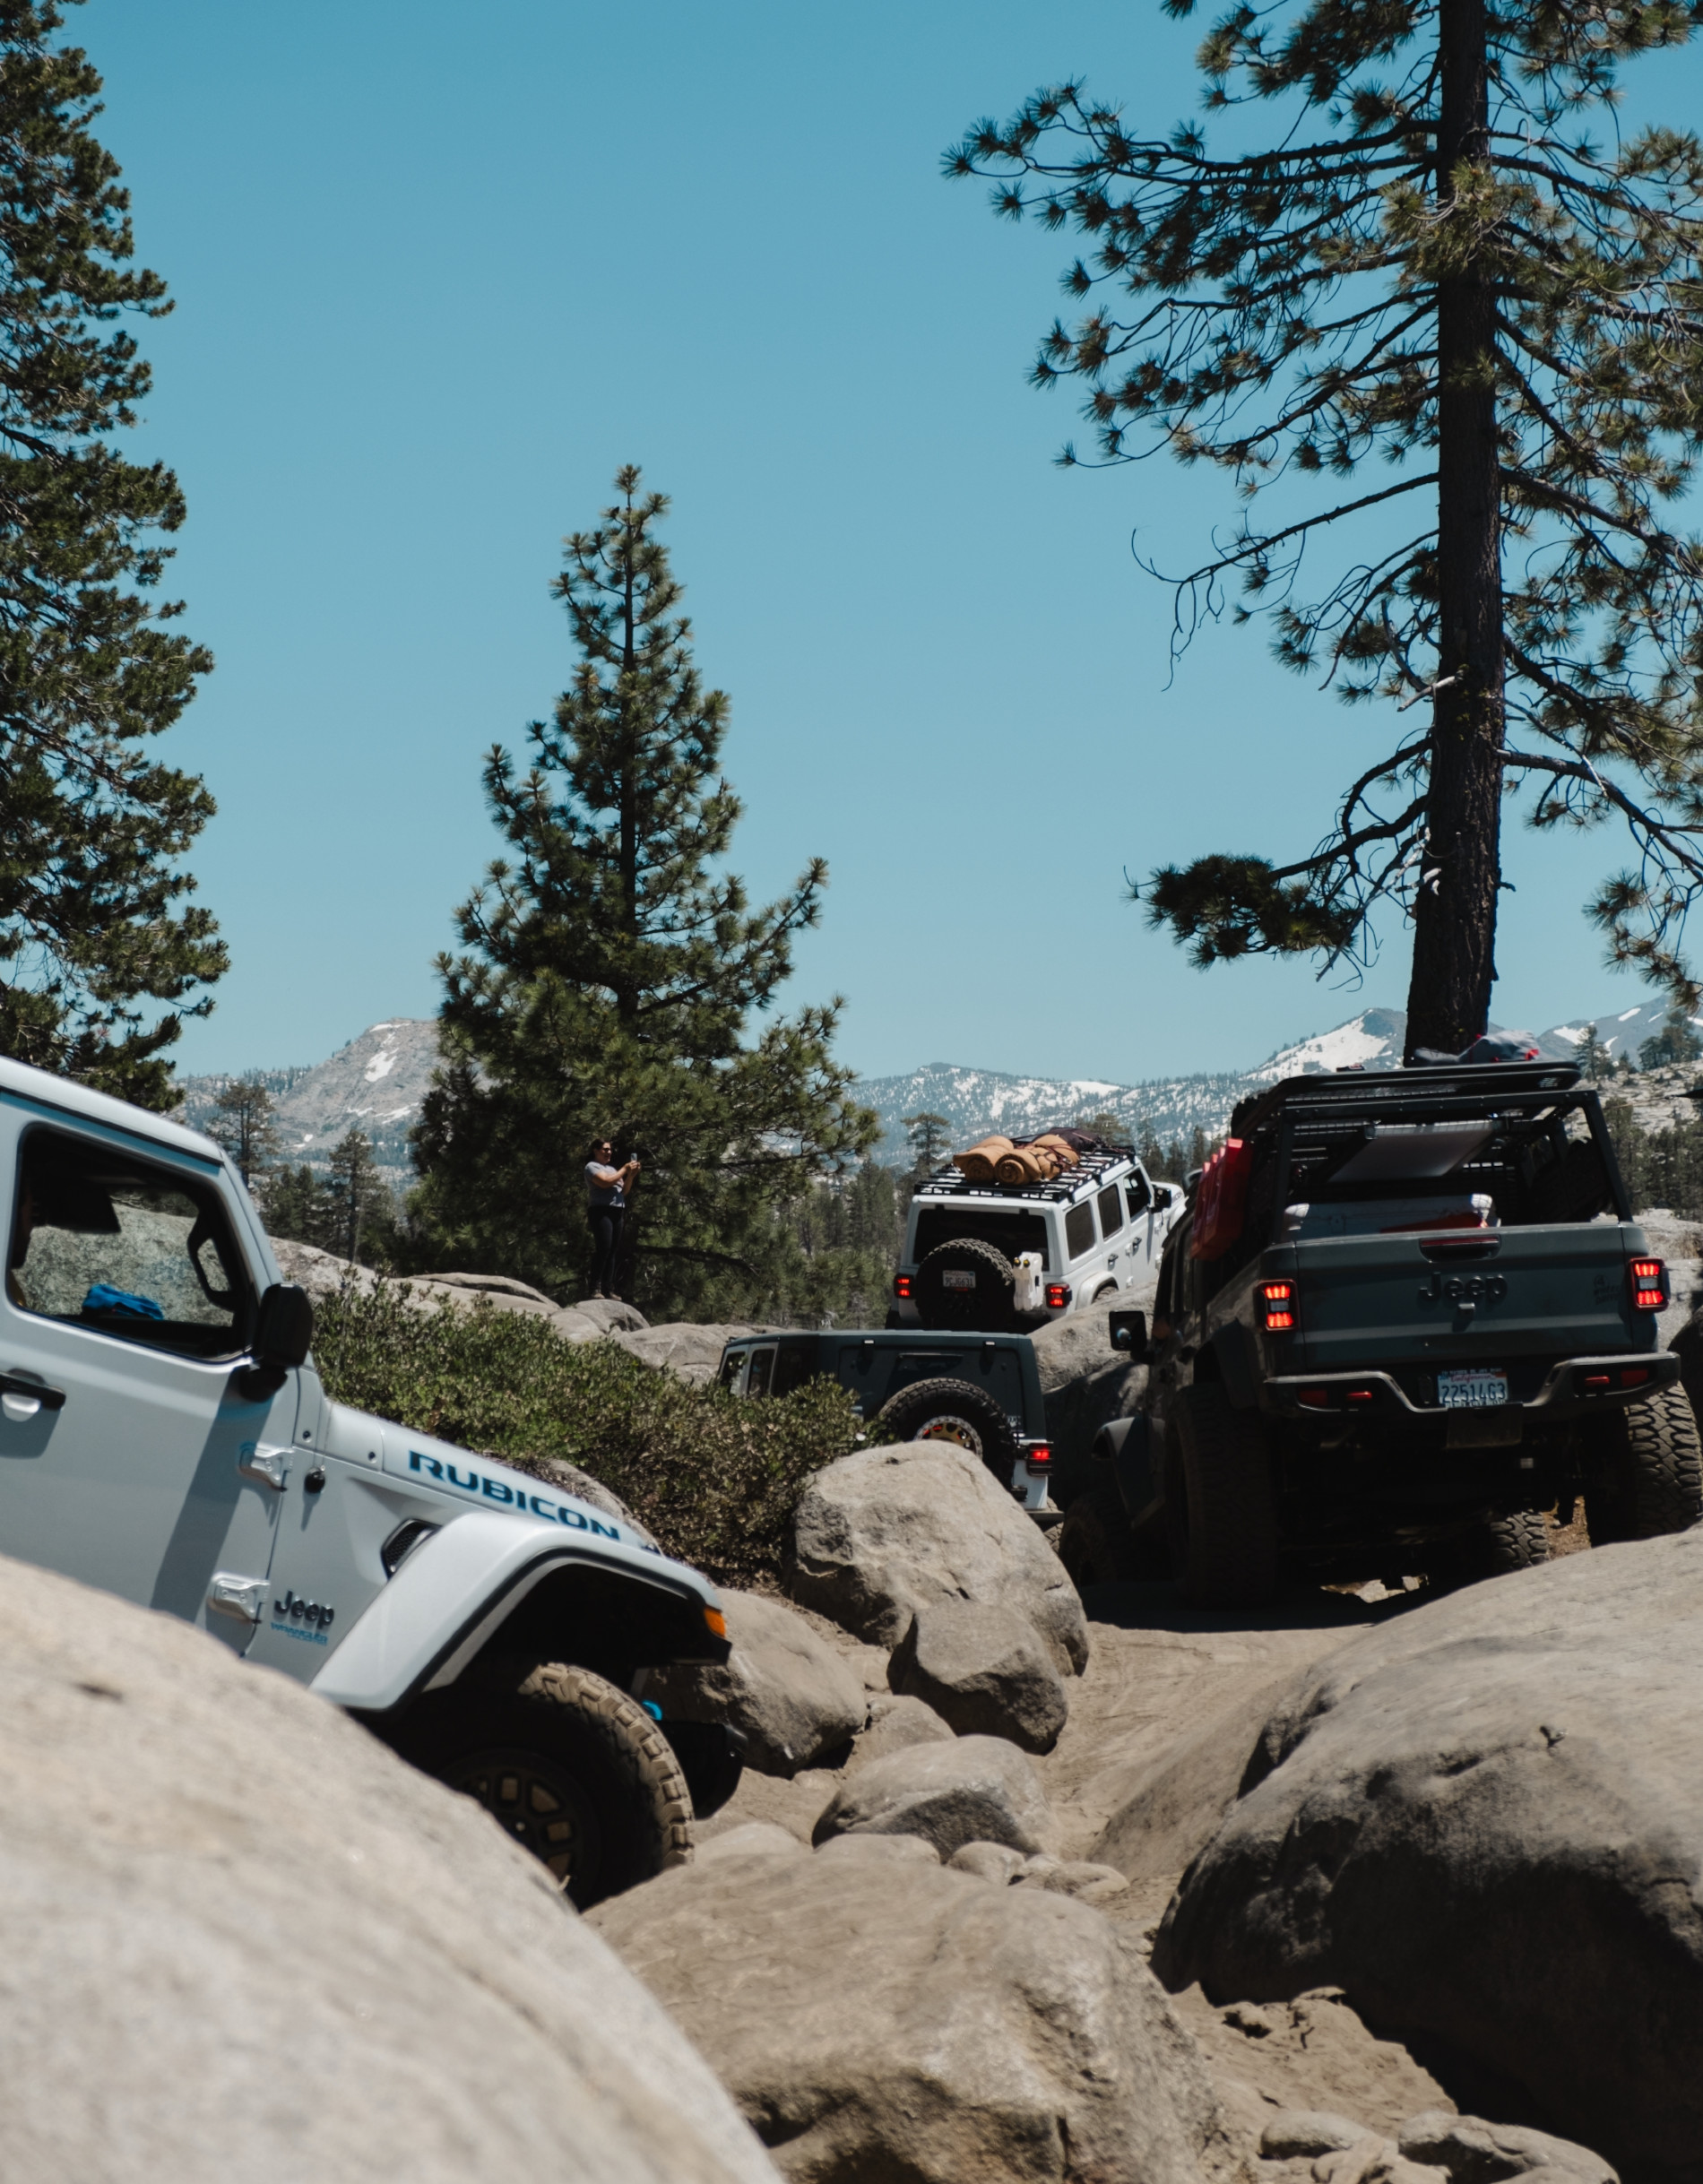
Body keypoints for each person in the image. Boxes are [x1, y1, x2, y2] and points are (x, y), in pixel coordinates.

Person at [584, 1135, 640, 1300]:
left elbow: (624, 1191)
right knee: (604, 1248)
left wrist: (631, 1176)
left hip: (617, 1211)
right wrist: (624, 1169)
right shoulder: (591, 1166)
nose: (609, 1152)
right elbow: (605, 1182)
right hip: (601, 1211)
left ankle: (607, 1288)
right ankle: (594, 1287)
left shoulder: (613, 1169)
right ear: (596, 1151)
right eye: (605, 1149)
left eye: (610, 1150)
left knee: (612, 1251)